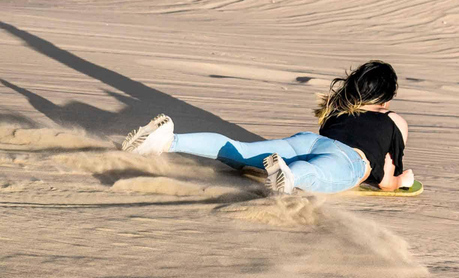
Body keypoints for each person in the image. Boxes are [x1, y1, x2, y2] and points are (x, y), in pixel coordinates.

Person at [121, 60, 415, 194]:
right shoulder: (394, 121)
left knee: (240, 150)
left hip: (308, 141)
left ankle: (167, 141)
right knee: (316, 171)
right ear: (388, 98)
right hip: (349, 159)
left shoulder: (336, 113)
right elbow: (385, 178)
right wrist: (400, 181)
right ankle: (288, 176)